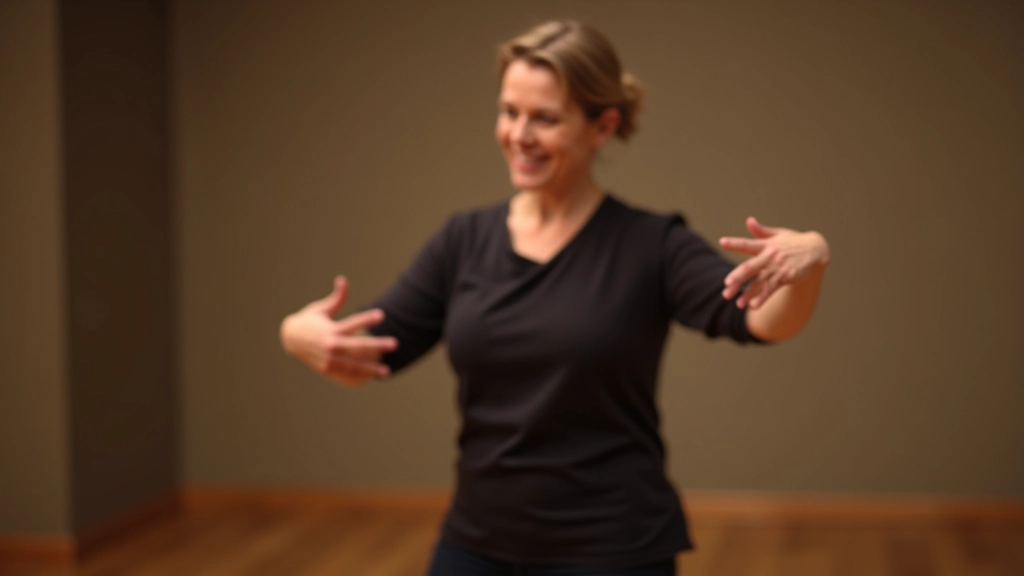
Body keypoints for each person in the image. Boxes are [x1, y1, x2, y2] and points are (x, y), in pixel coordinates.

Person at [280, 19, 830, 576]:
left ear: (602, 126)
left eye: (544, 118)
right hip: (477, 543)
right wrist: (300, 335)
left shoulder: (651, 244)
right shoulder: (463, 240)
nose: (519, 134)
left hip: (614, 549)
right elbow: (373, 354)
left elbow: (763, 323)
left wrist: (810, 262)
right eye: (509, 111)